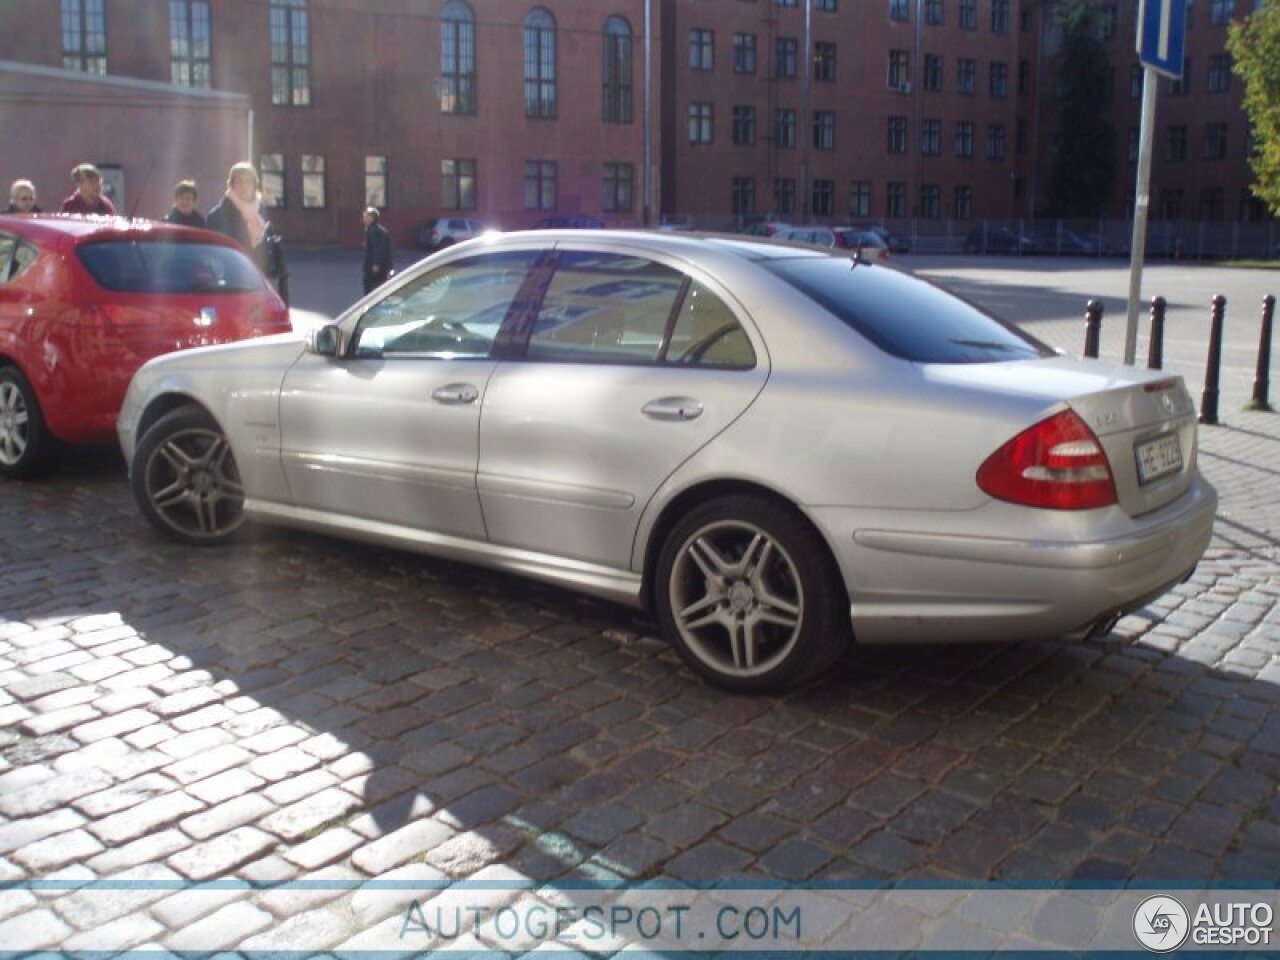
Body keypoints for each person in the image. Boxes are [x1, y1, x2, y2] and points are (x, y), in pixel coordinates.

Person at [206, 161, 288, 303]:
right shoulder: (218, 215)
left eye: (248, 181)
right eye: (239, 181)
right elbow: (210, 256)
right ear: (231, 185)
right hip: (230, 287)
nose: (244, 186)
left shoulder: (261, 210)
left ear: (254, 184)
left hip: (259, 283)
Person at [362, 207, 393, 294]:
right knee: (379, 287)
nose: (364, 218)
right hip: (381, 265)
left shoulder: (374, 231)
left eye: (366, 216)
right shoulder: (377, 229)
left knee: (371, 288)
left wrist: (376, 263)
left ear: (372, 218)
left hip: (374, 266)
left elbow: (378, 248)